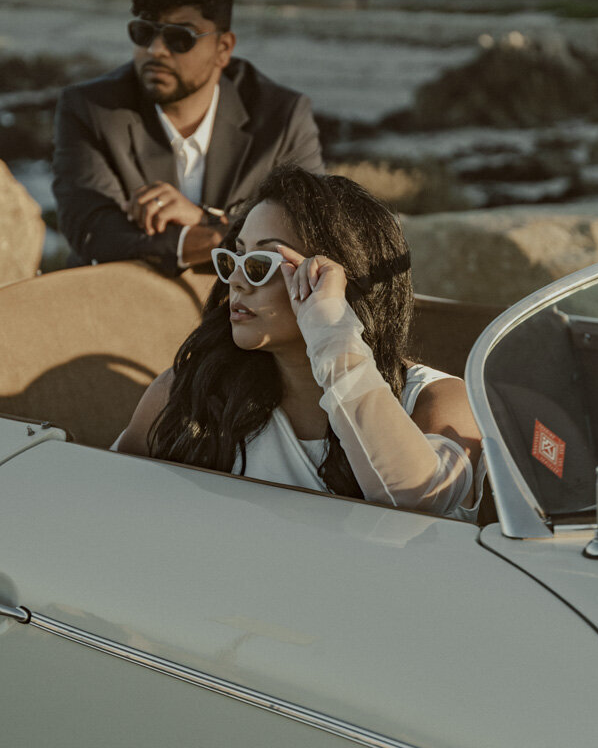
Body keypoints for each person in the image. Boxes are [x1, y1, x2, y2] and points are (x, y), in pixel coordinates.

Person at [117, 166, 485, 521]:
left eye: (261, 263)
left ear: (341, 279)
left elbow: (411, 502)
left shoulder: (438, 402)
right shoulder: (186, 392)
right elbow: (111, 496)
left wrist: (332, 332)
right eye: (234, 258)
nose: (239, 282)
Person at [52, 0, 324, 276]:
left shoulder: (282, 117)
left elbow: (310, 229)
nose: (156, 50)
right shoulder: (90, 108)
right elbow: (92, 229)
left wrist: (201, 219)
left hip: (235, 312)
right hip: (121, 305)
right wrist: (215, 238)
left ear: (223, 49)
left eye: (180, 37)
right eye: (143, 32)